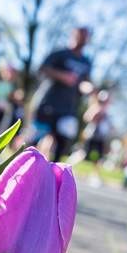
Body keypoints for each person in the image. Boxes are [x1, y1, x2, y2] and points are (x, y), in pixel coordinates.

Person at [32, 27, 93, 162]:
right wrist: (63, 76)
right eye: (79, 36)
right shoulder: (60, 54)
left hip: (68, 109)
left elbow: (85, 82)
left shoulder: (86, 62)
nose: (81, 40)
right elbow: (43, 68)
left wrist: (88, 88)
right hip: (48, 103)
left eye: (84, 37)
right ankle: (28, 166)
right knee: (36, 140)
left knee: (62, 143)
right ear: (73, 35)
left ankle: (53, 171)